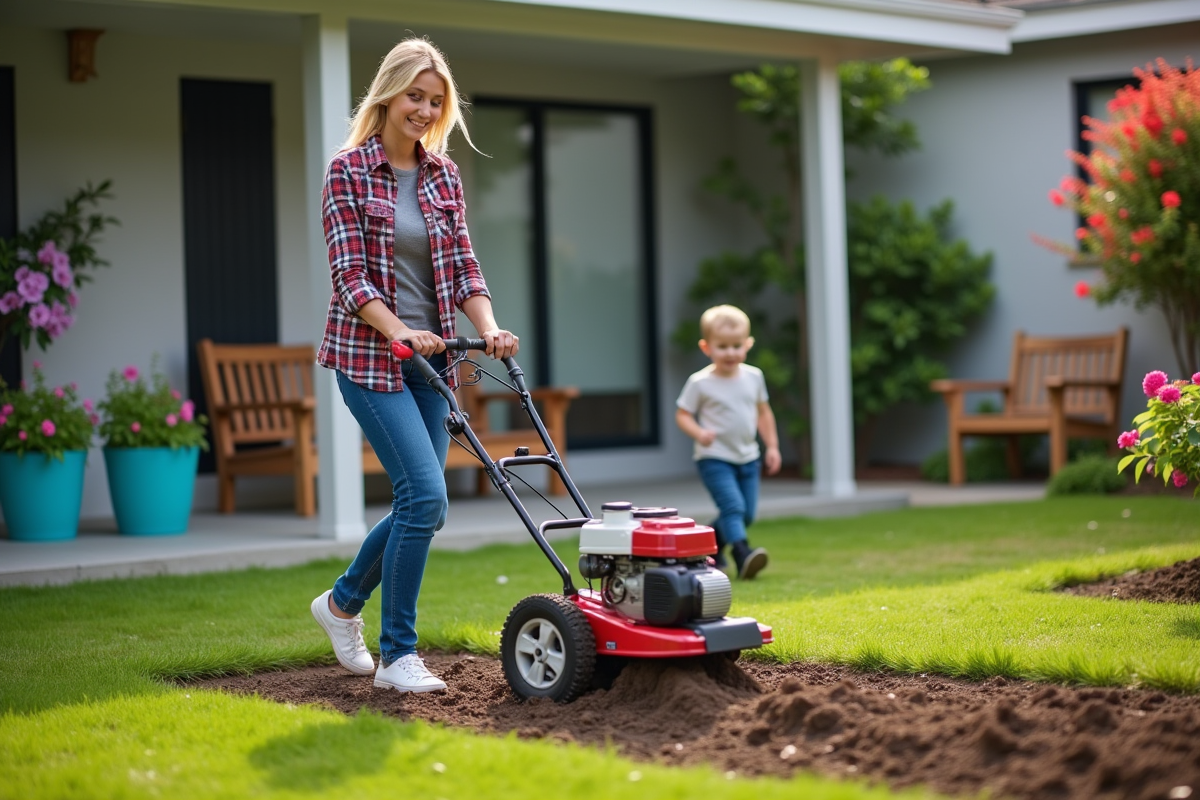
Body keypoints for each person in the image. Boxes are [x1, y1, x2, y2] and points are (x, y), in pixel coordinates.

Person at [310, 38, 518, 694]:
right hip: (371, 357)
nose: (424, 109)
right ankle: (399, 655)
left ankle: (341, 604)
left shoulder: (443, 175)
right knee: (424, 496)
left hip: (433, 363)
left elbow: (462, 265)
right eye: (414, 96)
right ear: (388, 95)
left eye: (435, 100)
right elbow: (349, 276)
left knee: (424, 504)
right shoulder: (348, 171)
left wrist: (488, 329)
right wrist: (401, 331)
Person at [675, 305, 780, 579]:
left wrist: (772, 447)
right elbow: (683, 415)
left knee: (746, 515)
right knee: (733, 508)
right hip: (715, 458)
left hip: (748, 457)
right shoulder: (700, 382)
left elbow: (764, 413)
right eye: (722, 346)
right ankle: (743, 553)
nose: (731, 353)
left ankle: (710, 548)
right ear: (706, 347)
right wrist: (698, 433)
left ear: (747, 344)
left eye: (737, 346)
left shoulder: (754, 376)